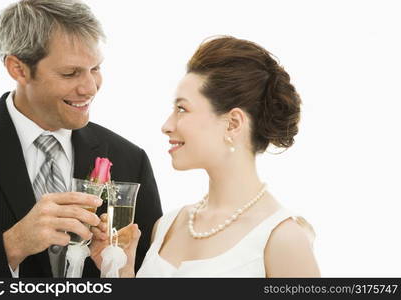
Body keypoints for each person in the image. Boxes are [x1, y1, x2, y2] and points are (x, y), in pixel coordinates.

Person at [91, 36, 320, 277]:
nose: (167, 125)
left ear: (233, 123)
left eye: (182, 109)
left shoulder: (283, 239)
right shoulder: (168, 226)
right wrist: (121, 272)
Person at [0, 0, 162, 278]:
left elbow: (150, 278)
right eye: (70, 73)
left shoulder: (130, 158)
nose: (90, 88)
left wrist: (118, 271)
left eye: (95, 69)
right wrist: (13, 244)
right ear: (17, 69)